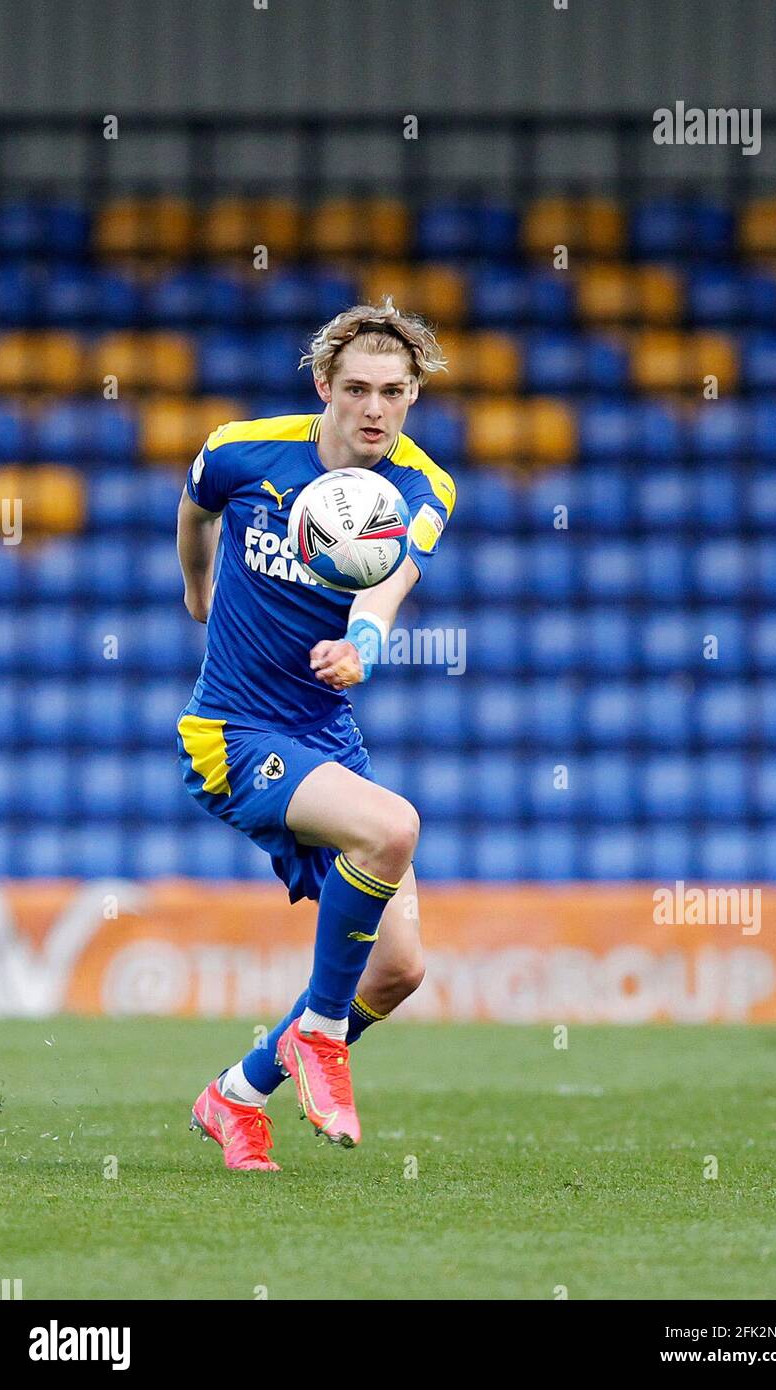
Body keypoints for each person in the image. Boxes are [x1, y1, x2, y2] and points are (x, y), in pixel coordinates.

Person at [176, 297, 455, 1170]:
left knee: (399, 969)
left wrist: (363, 641)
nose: (377, 410)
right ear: (324, 385)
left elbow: (389, 583)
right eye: (361, 389)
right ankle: (321, 1041)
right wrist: (197, 590)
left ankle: (237, 1094)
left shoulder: (421, 486)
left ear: (413, 396)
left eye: (397, 392)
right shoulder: (243, 449)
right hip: (233, 732)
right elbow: (196, 505)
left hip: (325, 736)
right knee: (394, 826)